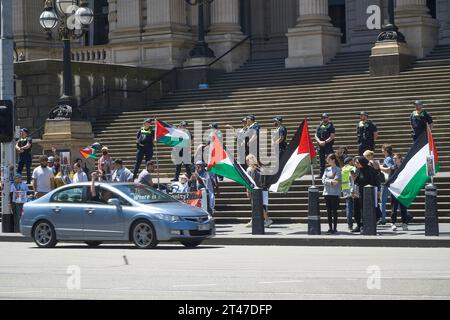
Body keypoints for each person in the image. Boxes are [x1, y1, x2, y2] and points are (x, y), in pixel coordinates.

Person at [352, 156, 380, 233]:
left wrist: (377, 192)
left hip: (369, 193)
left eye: (357, 162)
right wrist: (354, 178)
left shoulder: (370, 170)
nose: (356, 164)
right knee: (358, 209)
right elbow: (357, 181)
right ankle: (359, 225)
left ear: (362, 162)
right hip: (359, 192)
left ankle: (366, 225)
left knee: (366, 210)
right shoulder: (358, 169)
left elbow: (375, 181)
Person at [245, 154, 273, 228]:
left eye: (246, 160)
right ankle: (253, 220)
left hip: (255, 190)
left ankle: (267, 220)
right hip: (263, 189)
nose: (246, 162)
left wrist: (247, 191)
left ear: (248, 160)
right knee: (261, 205)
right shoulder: (259, 168)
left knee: (257, 205)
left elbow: (248, 181)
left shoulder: (249, 169)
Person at [322, 154, 342, 234]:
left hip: (335, 193)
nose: (327, 161)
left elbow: (336, 181)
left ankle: (335, 227)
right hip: (327, 193)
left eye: (329, 159)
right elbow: (323, 179)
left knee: (334, 211)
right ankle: (330, 227)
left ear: (333, 160)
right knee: (328, 211)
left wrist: (328, 180)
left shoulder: (338, 169)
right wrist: (330, 181)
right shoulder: (327, 169)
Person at [390, 154, 410, 231]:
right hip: (394, 190)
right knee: (394, 208)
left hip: (402, 190)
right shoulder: (392, 168)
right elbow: (390, 179)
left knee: (403, 208)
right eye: (393, 158)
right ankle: (393, 223)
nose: (394, 160)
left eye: (395, 158)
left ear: (400, 159)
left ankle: (404, 223)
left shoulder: (405, 167)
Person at [315, 113, 336, 178]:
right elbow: (315, 135)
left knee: (331, 159)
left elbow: (332, 136)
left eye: (325, 117)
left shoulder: (330, 126)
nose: (323, 119)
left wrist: (325, 142)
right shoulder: (320, 126)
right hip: (320, 145)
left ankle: (333, 173)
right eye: (322, 118)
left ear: (328, 118)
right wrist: (319, 141)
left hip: (328, 145)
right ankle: (321, 174)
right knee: (321, 160)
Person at [379, 144, 395, 225]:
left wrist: (380, 167)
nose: (381, 151)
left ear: (386, 150)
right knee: (394, 201)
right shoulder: (390, 158)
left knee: (382, 201)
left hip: (386, 182)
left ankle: (382, 219)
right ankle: (407, 214)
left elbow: (390, 169)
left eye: (382, 149)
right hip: (391, 182)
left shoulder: (387, 159)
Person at [341, 157, 356, 231]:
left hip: (345, 190)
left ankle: (350, 225)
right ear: (350, 162)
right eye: (352, 161)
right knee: (356, 207)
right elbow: (353, 180)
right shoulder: (352, 168)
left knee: (348, 208)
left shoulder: (342, 169)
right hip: (353, 190)